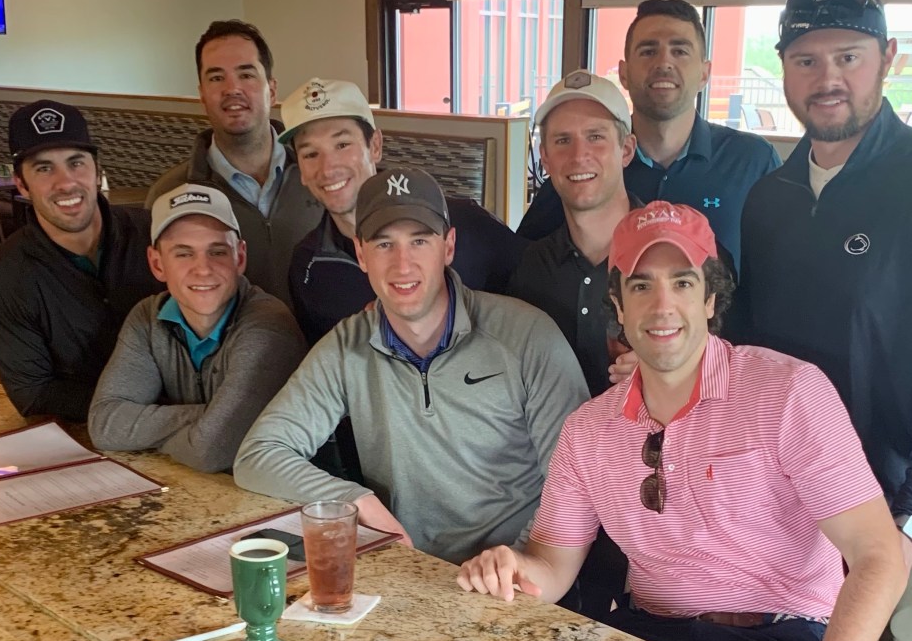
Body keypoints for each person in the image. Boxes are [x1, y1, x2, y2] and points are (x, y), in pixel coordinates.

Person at [458, 201, 908, 641]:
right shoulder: (587, 430)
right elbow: (552, 565)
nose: (662, 305)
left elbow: (878, 555)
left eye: (683, 282)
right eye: (641, 285)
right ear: (619, 306)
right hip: (648, 640)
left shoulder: (790, 392)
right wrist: (512, 569)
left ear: (710, 299)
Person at [735, 0, 912, 641]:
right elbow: (752, 352)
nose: (828, 78)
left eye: (848, 56)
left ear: (888, 58)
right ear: (784, 69)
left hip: (905, 490)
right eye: (806, 60)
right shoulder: (770, 197)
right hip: (794, 487)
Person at [234, 167, 589, 565]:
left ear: (448, 246)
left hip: (517, 572)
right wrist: (355, 500)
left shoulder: (527, 336)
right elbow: (258, 454)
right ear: (361, 254)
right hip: (410, 570)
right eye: (384, 244)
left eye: (419, 241)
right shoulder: (346, 345)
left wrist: (519, 561)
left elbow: (577, 480)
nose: (402, 265)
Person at [518, 0, 779, 271]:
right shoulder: (586, 169)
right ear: (624, 73)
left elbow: (777, 270)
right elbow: (525, 263)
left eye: (680, 51)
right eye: (648, 51)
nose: (664, 62)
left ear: (704, 74)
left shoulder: (753, 162)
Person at [282, 77, 528, 346]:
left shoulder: (467, 224)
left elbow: (534, 303)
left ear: (375, 146)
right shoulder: (308, 267)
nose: (328, 168)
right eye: (310, 154)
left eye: (342, 145)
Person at [88, 184, 306, 473]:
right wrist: (207, 417)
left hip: (280, 493)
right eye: (183, 254)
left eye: (218, 252)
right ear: (157, 264)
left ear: (240, 257)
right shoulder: (147, 317)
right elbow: (104, 424)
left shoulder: (267, 325)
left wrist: (154, 430)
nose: (203, 268)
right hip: (206, 487)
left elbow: (211, 451)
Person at [0, 100, 161, 421]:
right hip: (88, 432)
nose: (65, 182)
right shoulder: (5, 274)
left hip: (192, 421)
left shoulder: (156, 234)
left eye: (76, 163)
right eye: (44, 168)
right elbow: (33, 393)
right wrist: (139, 412)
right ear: (21, 183)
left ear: (97, 170)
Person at [145, 20, 321, 306]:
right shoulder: (170, 194)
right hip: (235, 337)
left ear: (272, 90)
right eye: (216, 78)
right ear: (202, 95)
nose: (232, 88)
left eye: (246, 74)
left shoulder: (321, 175)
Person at [507, 70, 636, 398]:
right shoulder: (530, 270)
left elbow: (729, 374)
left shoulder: (679, 255)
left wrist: (674, 371)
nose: (579, 156)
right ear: (545, 158)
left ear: (626, 150)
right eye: (563, 141)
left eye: (595, 136)